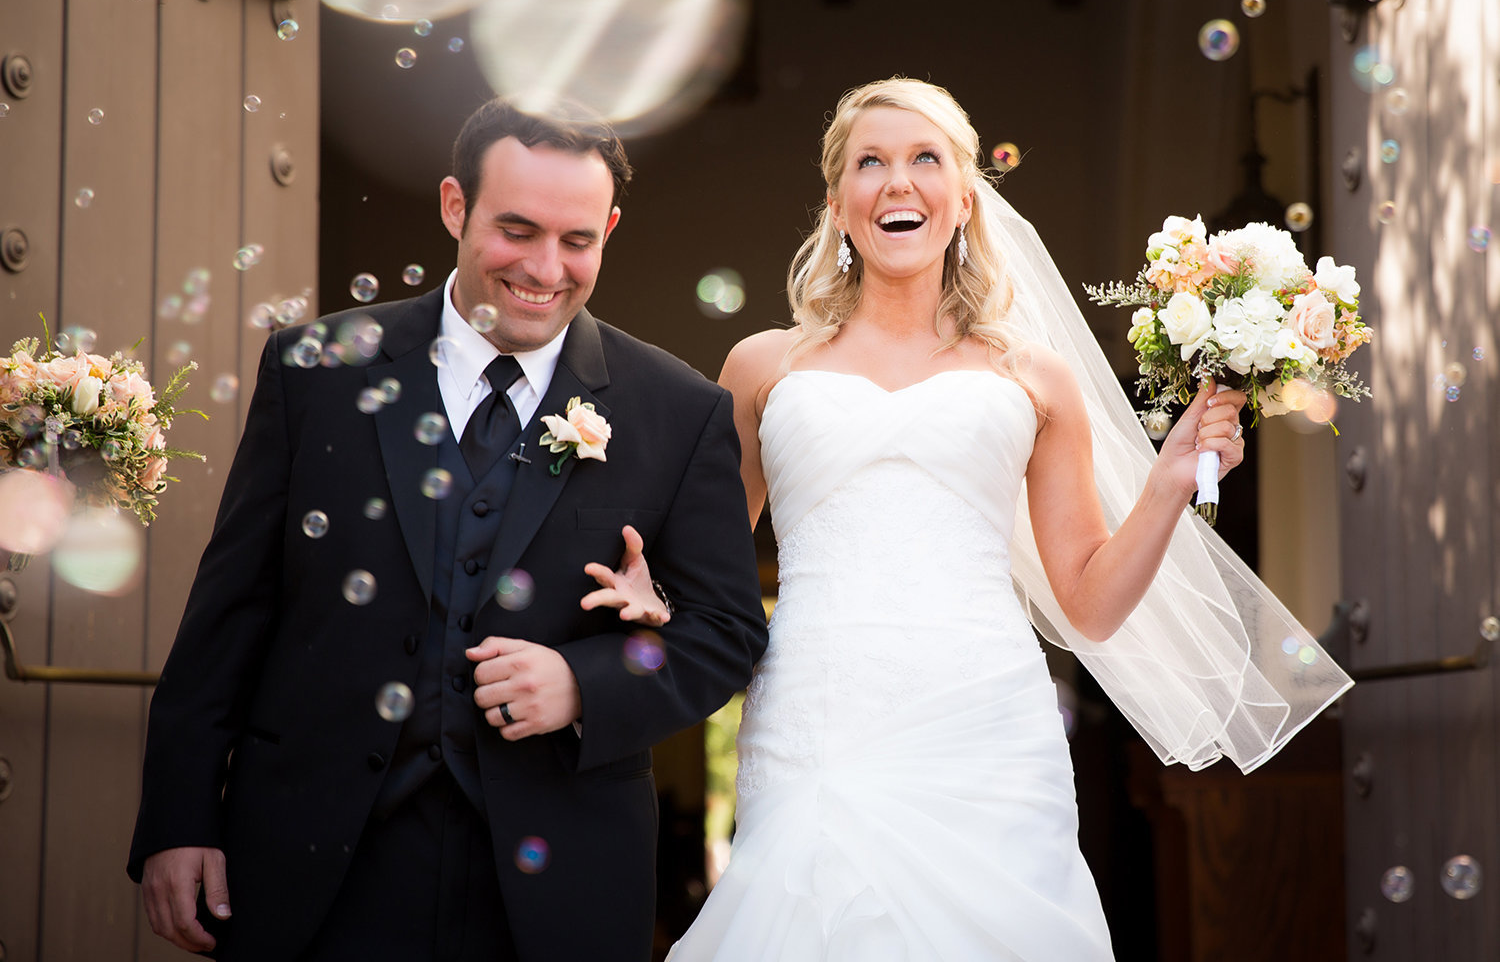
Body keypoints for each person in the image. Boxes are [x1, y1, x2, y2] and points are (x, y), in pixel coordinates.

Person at [665, 78, 1352, 959]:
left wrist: (1168, 481)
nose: (898, 182)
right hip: (818, 714)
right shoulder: (760, 366)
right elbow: (708, 572)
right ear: (838, 205)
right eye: (870, 163)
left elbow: (1088, 605)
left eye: (925, 160)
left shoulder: (1033, 374)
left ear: (963, 197)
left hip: (985, 718)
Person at [128, 98, 769, 962]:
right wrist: (179, 819)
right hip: (315, 859)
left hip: (556, 878)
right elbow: (231, 610)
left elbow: (726, 632)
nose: (547, 268)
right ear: (454, 206)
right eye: (517, 230)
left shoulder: (680, 412)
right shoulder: (316, 371)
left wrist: (585, 685)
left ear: (610, 227)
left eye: (578, 240)